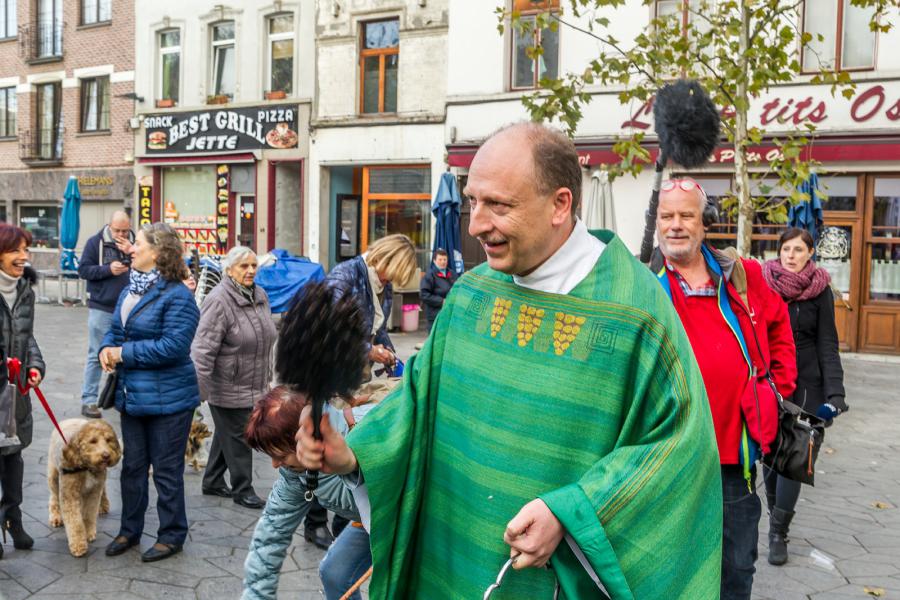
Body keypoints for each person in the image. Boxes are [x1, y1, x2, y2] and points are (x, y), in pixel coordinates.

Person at [295, 123, 723, 598]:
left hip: (549, 581)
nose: (476, 224)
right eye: (472, 201)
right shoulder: (470, 295)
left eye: (498, 205)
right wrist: (356, 453)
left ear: (561, 204)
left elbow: (676, 449)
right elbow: (417, 401)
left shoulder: (636, 312)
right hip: (449, 563)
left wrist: (572, 511)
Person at [650, 178, 797, 600]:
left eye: (686, 216)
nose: (675, 225)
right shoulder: (645, 285)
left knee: (736, 569)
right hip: (671, 457)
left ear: (704, 223)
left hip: (737, 459)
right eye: (667, 216)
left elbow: (780, 329)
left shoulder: (741, 276)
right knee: (675, 566)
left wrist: (775, 389)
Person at [301, 233, 417, 550]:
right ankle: (314, 521)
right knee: (319, 442)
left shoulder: (382, 282)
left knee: (347, 442)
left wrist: (395, 361)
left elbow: (378, 329)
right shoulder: (346, 275)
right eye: (393, 273)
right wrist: (369, 350)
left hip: (351, 376)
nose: (392, 280)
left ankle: (344, 517)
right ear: (385, 259)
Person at [99, 222, 200, 563]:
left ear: (156, 253)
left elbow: (173, 347)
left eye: (137, 243)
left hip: (170, 400)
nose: (130, 248)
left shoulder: (178, 296)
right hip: (133, 396)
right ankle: (129, 530)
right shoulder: (130, 290)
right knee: (132, 468)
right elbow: (115, 330)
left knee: (168, 471)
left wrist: (123, 354)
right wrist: (106, 349)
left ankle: (172, 534)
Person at [762, 227, 847, 566]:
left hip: (808, 387)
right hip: (770, 382)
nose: (791, 256)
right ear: (779, 252)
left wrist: (835, 394)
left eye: (798, 250)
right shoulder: (765, 285)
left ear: (810, 253)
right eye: (786, 249)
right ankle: (774, 517)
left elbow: (828, 343)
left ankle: (778, 531)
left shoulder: (820, 290)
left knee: (795, 459)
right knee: (769, 458)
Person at [242, 386, 370, 600]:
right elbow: (271, 531)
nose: (275, 465)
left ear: (305, 436)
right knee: (335, 573)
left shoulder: (370, 427)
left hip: (419, 518)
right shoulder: (295, 471)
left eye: (281, 455)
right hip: (368, 521)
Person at [192, 246, 277, 510]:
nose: (250, 270)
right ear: (229, 270)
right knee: (241, 436)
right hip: (226, 384)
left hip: (253, 383)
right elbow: (203, 348)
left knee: (227, 433)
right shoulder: (218, 300)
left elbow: (266, 336)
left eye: (254, 265)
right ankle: (243, 489)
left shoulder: (259, 295)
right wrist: (198, 392)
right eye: (244, 266)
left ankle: (213, 480)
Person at [0, 224, 44, 561]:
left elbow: (27, 337)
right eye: (16, 250)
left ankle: (13, 519)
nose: (23, 257)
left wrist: (34, 366)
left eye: (25, 250)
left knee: (14, 457)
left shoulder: (25, 289)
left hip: (16, 393)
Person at [78, 211, 134, 418]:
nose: (121, 234)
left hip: (129, 308)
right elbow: (83, 270)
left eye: (125, 230)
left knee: (125, 355)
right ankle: (89, 400)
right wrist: (108, 269)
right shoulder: (95, 242)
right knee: (96, 353)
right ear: (109, 226)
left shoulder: (135, 243)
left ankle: (120, 397)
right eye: (117, 230)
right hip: (102, 306)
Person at [419, 248, 457, 333]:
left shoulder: (452, 274)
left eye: (445, 259)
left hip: (449, 314)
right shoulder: (430, 275)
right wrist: (441, 301)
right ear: (434, 261)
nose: (443, 262)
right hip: (435, 315)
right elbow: (424, 294)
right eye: (440, 259)